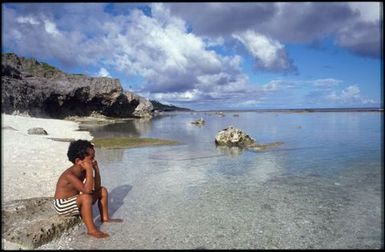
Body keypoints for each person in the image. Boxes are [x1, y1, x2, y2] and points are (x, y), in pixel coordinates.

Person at [53, 139, 122, 238]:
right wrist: (90, 169)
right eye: (91, 158)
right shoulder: (70, 174)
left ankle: (105, 218)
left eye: (94, 158)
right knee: (86, 197)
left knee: (102, 190)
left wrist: (96, 170)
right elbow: (87, 191)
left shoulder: (84, 170)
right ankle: (91, 230)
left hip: (75, 199)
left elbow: (97, 187)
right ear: (78, 161)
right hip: (61, 204)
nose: (93, 161)